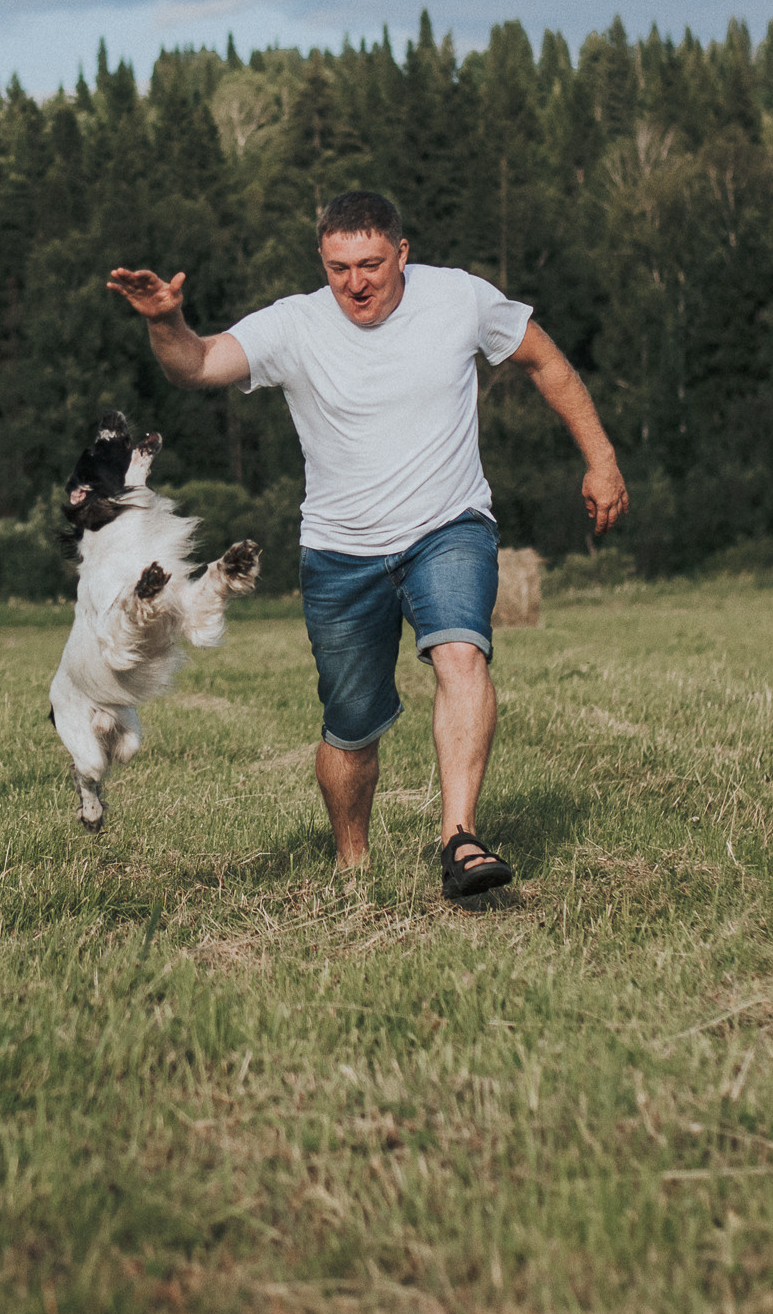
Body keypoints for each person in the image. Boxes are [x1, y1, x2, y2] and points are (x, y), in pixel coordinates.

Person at [107, 190, 628, 896]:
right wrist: (167, 322)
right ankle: (354, 869)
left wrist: (600, 458)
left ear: (402, 253)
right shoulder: (295, 323)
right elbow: (196, 365)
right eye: (339, 266)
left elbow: (545, 361)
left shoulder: (459, 299)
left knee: (460, 653)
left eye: (372, 264)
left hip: (448, 527)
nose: (356, 281)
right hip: (340, 552)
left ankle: (460, 837)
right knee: (351, 728)